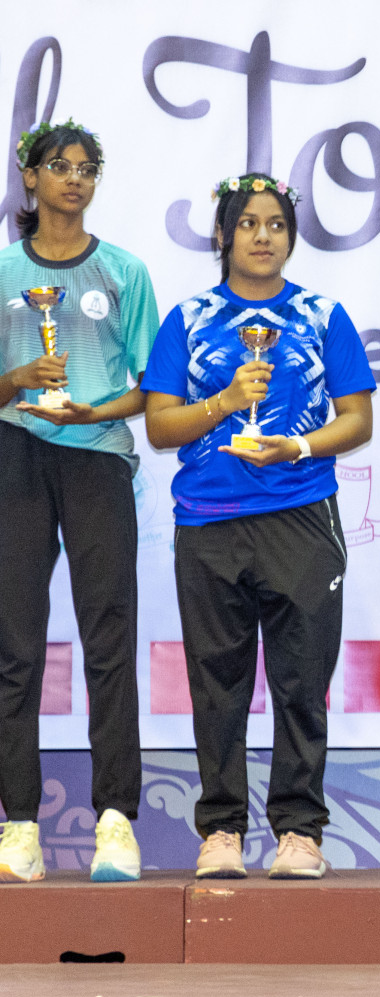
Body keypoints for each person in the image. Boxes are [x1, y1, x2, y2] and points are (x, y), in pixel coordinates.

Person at [142, 173, 374, 881]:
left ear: (290, 235)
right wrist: (223, 402)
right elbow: (158, 426)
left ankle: (300, 831)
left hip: (301, 518)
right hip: (209, 521)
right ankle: (221, 831)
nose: (264, 235)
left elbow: (357, 419)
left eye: (276, 223)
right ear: (223, 235)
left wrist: (297, 446)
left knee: (302, 682)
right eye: (249, 223)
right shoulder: (188, 318)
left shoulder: (322, 314)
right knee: (218, 683)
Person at [0, 119, 157, 884]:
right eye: (58, 166)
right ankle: (19, 827)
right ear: (29, 178)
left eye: (87, 167)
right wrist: (16, 382)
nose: (74, 178)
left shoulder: (124, 272)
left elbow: (153, 390)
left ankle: (117, 821)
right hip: (16, 455)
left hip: (97, 460)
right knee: (15, 646)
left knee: (108, 641)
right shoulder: (3, 275)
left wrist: (93, 413)